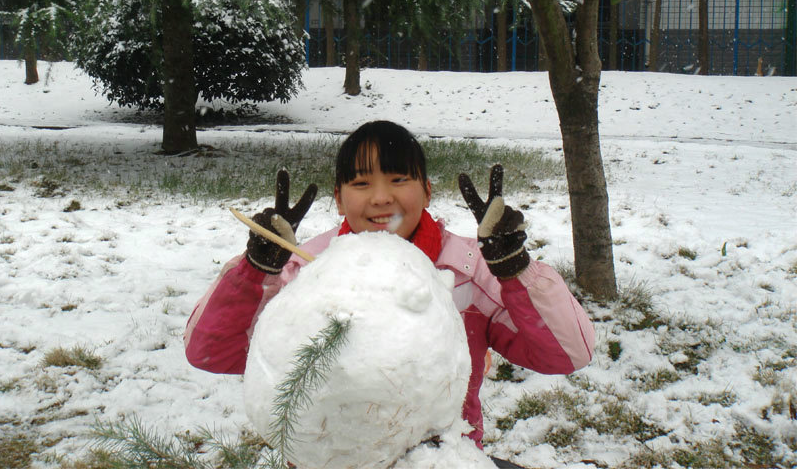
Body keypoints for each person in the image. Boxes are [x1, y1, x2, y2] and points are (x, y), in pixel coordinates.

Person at [184, 120, 595, 465]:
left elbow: (567, 353)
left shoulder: (467, 271)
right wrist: (255, 272)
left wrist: (516, 270)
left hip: (438, 458)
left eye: (399, 179)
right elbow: (213, 352)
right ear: (339, 200)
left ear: (427, 190)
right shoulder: (306, 271)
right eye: (361, 183)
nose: (382, 197)